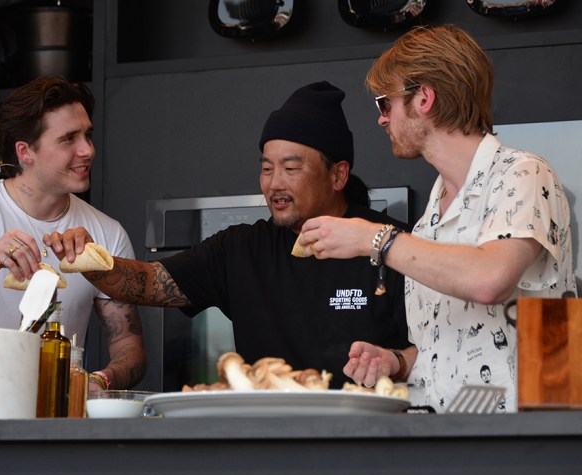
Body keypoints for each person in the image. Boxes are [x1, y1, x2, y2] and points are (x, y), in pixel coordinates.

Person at [48, 81, 410, 388]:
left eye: (291, 168)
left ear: (338, 175)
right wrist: (89, 260)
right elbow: (150, 283)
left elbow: (431, 352)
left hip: (368, 443)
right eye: (267, 169)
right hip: (261, 442)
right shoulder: (241, 249)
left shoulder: (389, 243)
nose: (275, 184)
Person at [297, 25, 577, 412]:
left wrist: (375, 239)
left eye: (385, 103)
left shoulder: (522, 172)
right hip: (445, 435)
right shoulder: (432, 213)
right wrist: (396, 362)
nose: (381, 119)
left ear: (424, 98)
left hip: (526, 437)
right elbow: (447, 347)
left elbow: (489, 280)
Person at [0, 75, 147, 391]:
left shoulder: (106, 234)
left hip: (52, 423)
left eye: (88, 135)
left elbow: (130, 347)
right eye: (68, 139)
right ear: (25, 151)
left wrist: (99, 380)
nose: (87, 150)